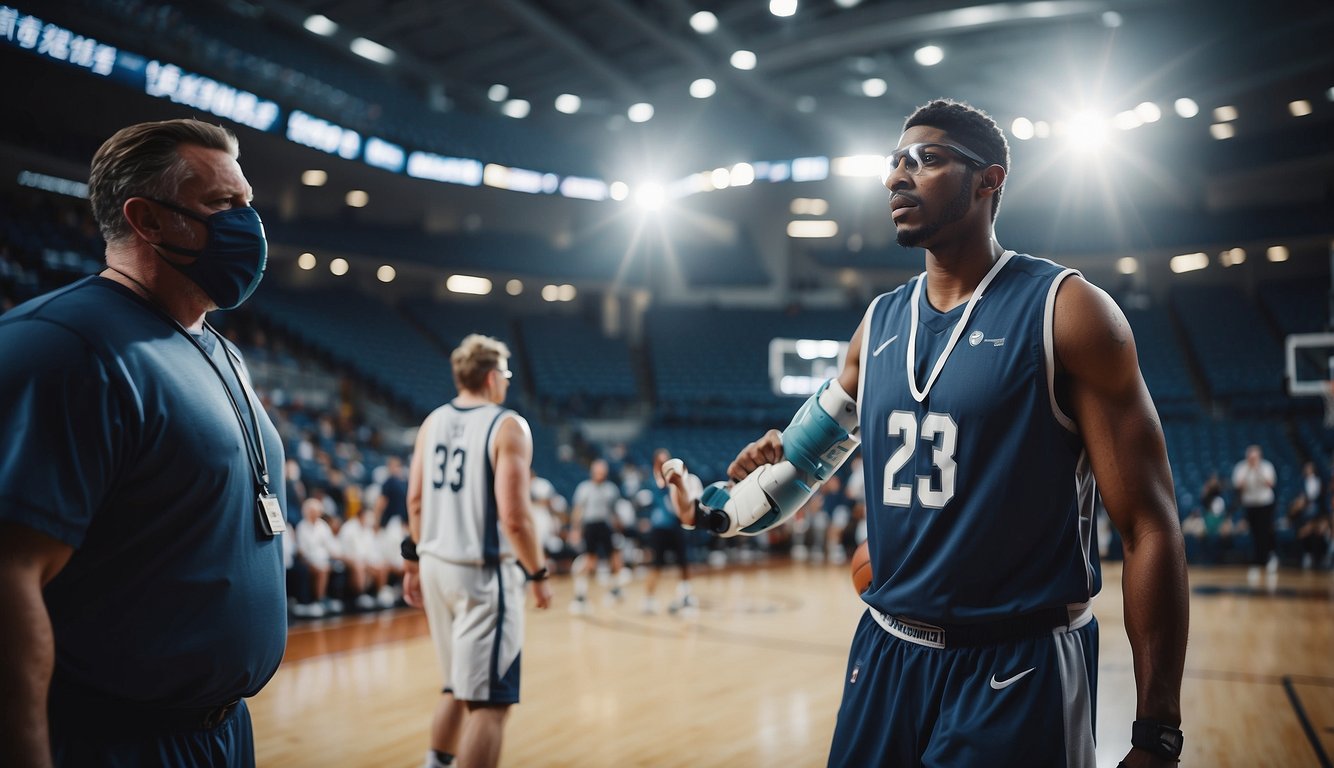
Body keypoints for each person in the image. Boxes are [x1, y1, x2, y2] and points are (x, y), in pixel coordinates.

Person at [671, 100, 1188, 767]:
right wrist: (706, 509)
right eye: (894, 162)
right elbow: (796, 469)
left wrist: (1157, 733)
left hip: (1016, 664)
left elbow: (1151, 527)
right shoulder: (876, 325)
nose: (897, 177)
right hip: (885, 655)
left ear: (988, 181)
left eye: (928, 159)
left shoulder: (1069, 313)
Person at [0, 118, 286, 766]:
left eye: (249, 203)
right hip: (112, 740)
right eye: (225, 205)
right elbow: (8, 574)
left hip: (220, 731)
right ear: (147, 220)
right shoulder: (64, 347)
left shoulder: (218, 348)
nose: (250, 224)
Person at [403, 334, 552, 768]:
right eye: (505, 374)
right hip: (482, 574)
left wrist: (413, 563)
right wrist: (539, 574)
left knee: (456, 684)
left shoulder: (431, 422)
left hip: (434, 567)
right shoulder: (508, 425)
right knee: (490, 705)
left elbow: (414, 501)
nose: (506, 382)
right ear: (492, 378)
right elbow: (515, 517)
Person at [641, 449, 701, 615]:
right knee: (656, 565)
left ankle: (686, 596)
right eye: (661, 462)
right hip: (660, 529)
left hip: (676, 526)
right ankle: (648, 600)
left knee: (684, 563)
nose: (664, 465)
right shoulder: (654, 483)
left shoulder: (676, 481)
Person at [568, 458, 626, 613]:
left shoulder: (611, 489)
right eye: (598, 471)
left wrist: (618, 526)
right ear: (592, 472)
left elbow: (614, 511)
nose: (600, 474)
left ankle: (615, 589)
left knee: (614, 557)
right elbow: (578, 510)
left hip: (605, 526)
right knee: (590, 560)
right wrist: (575, 529)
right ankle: (580, 595)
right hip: (590, 527)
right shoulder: (584, 488)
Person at [1233, 445, 1278, 572]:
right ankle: (1258, 559)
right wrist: (1248, 470)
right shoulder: (1241, 467)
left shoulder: (1266, 466)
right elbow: (1238, 486)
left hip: (1265, 503)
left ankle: (1268, 557)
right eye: (1250, 457)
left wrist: (1258, 470)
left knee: (1265, 531)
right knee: (1254, 531)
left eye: (1254, 457)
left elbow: (1270, 484)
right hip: (1250, 504)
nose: (1252, 459)